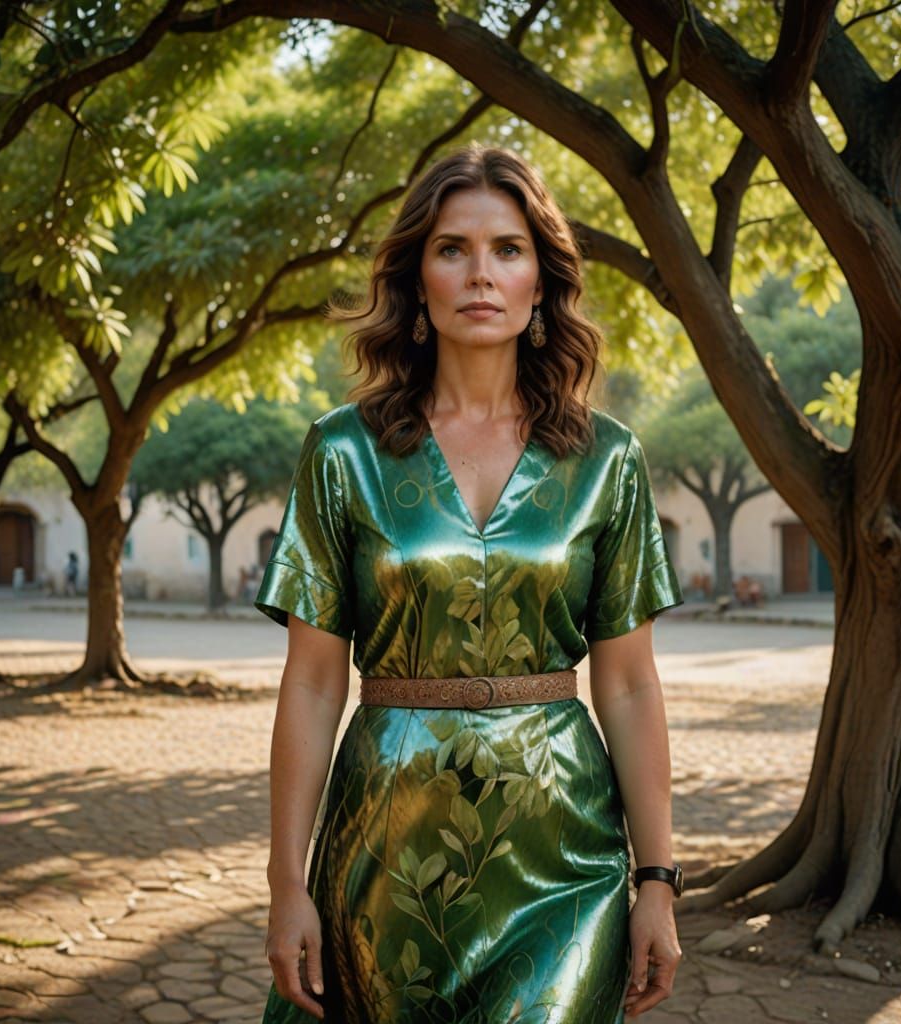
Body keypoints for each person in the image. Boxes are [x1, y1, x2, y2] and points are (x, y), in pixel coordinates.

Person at [255, 142, 685, 1024]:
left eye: (508, 249)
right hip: (387, 845)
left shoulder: (607, 459)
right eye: (452, 248)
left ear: (541, 283)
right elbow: (311, 682)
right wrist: (285, 883)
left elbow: (631, 686)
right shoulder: (342, 452)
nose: (480, 273)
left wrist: (657, 881)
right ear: (417, 282)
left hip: (565, 853)